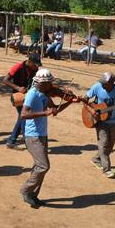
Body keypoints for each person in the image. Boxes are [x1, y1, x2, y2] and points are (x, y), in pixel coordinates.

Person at [19, 68, 73, 208]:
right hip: (33, 136)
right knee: (44, 166)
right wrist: (45, 113)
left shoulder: (44, 94)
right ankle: (26, 190)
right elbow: (24, 114)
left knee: (38, 166)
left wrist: (70, 102)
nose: (52, 86)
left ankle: (32, 195)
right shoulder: (32, 94)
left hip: (42, 135)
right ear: (41, 83)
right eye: (49, 83)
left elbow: (55, 109)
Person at [87, 72, 115, 179]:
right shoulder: (97, 87)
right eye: (102, 82)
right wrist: (92, 111)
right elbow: (84, 100)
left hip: (113, 121)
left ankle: (96, 159)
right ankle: (107, 169)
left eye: (105, 83)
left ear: (112, 83)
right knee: (103, 143)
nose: (102, 85)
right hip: (100, 121)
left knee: (110, 145)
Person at [3, 53, 41, 149]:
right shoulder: (18, 67)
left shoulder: (35, 70)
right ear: (30, 61)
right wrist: (18, 88)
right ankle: (15, 140)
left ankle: (15, 140)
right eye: (35, 64)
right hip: (17, 96)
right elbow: (5, 80)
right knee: (23, 117)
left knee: (23, 117)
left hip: (27, 97)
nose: (36, 66)